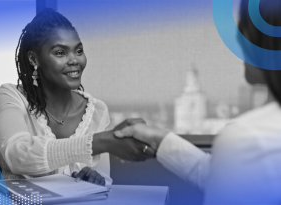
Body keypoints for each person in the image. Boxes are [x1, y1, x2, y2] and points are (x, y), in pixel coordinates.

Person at [115, 0, 281, 204]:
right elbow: (230, 178)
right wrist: (161, 139)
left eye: (246, 25)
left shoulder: (250, 138)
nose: (238, 36)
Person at [0, 8, 155, 186]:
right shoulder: (11, 96)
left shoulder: (97, 111)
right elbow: (18, 155)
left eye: (78, 51)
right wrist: (103, 141)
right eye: (60, 53)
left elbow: (105, 179)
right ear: (33, 59)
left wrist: (95, 180)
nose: (74, 60)